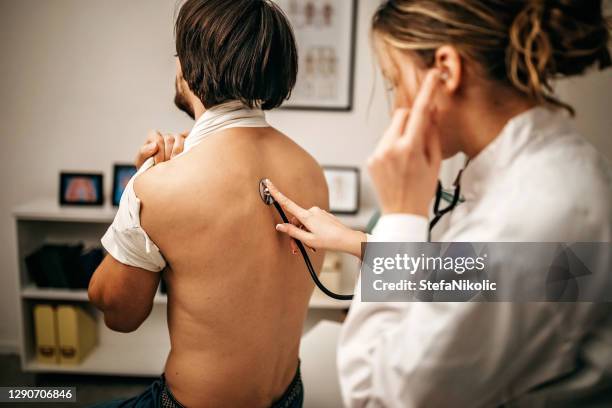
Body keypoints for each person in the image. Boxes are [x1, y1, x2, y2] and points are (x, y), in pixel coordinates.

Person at [265, 0, 612, 406]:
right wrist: (358, 241)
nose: (396, 107)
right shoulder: (538, 173)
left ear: (445, 70)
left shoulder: (535, 213)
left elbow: (380, 396)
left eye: (395, 83)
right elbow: (474, 279)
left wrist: (400, 214)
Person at [88, 1, 328, 407]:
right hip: (289, 396)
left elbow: (119, 316)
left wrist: (138, 195)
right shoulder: (311, 170)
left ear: (186, 65)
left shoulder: (160, 187)